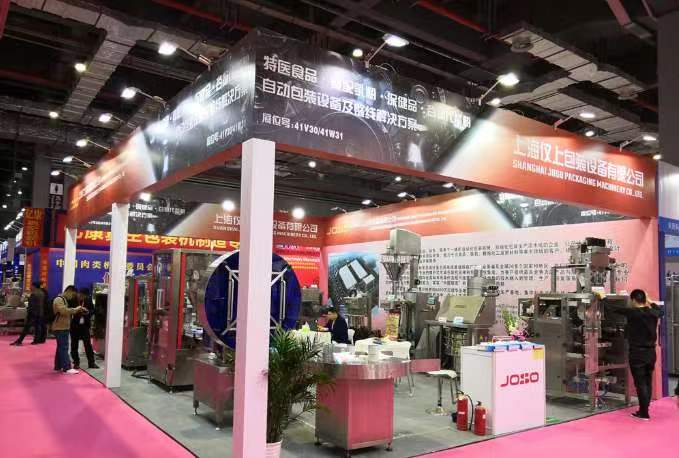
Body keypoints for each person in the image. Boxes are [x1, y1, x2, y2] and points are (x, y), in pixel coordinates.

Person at [611, 289, 663, 420]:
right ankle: (645, 408)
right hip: (651, 353)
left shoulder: (633, 313)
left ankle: (644, 412)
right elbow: (660, 311)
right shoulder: (653, 312)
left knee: (640, 383)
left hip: (637, 353)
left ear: (633, 300)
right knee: (647, 381)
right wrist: (649, 301)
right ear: (644, 299)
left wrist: (601, 297)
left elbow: (613, 308)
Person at [52, 286, 86, 374]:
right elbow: (63, 311)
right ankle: (66, 368)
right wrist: (76, 309)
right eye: (73, 295)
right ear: (69, 291)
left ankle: (58, 366)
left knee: (60, 347)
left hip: (63, 326)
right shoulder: (59, 299)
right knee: (64, 347)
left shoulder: (63, 300)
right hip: (60, 327)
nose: (72, 297)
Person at [70, 288, 98, 369]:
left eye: (84, 296)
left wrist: (87, 312)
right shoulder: (73, 300)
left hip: (85, 325)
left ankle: (91, 363)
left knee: (88, 345)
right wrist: (76, 310)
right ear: (79, 293)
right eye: (81, 295)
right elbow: (69, 310)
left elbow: (93, 310)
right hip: (74, 325)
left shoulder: (88, 300)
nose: (82, 297)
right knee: (74, 345)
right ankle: (76, 363)